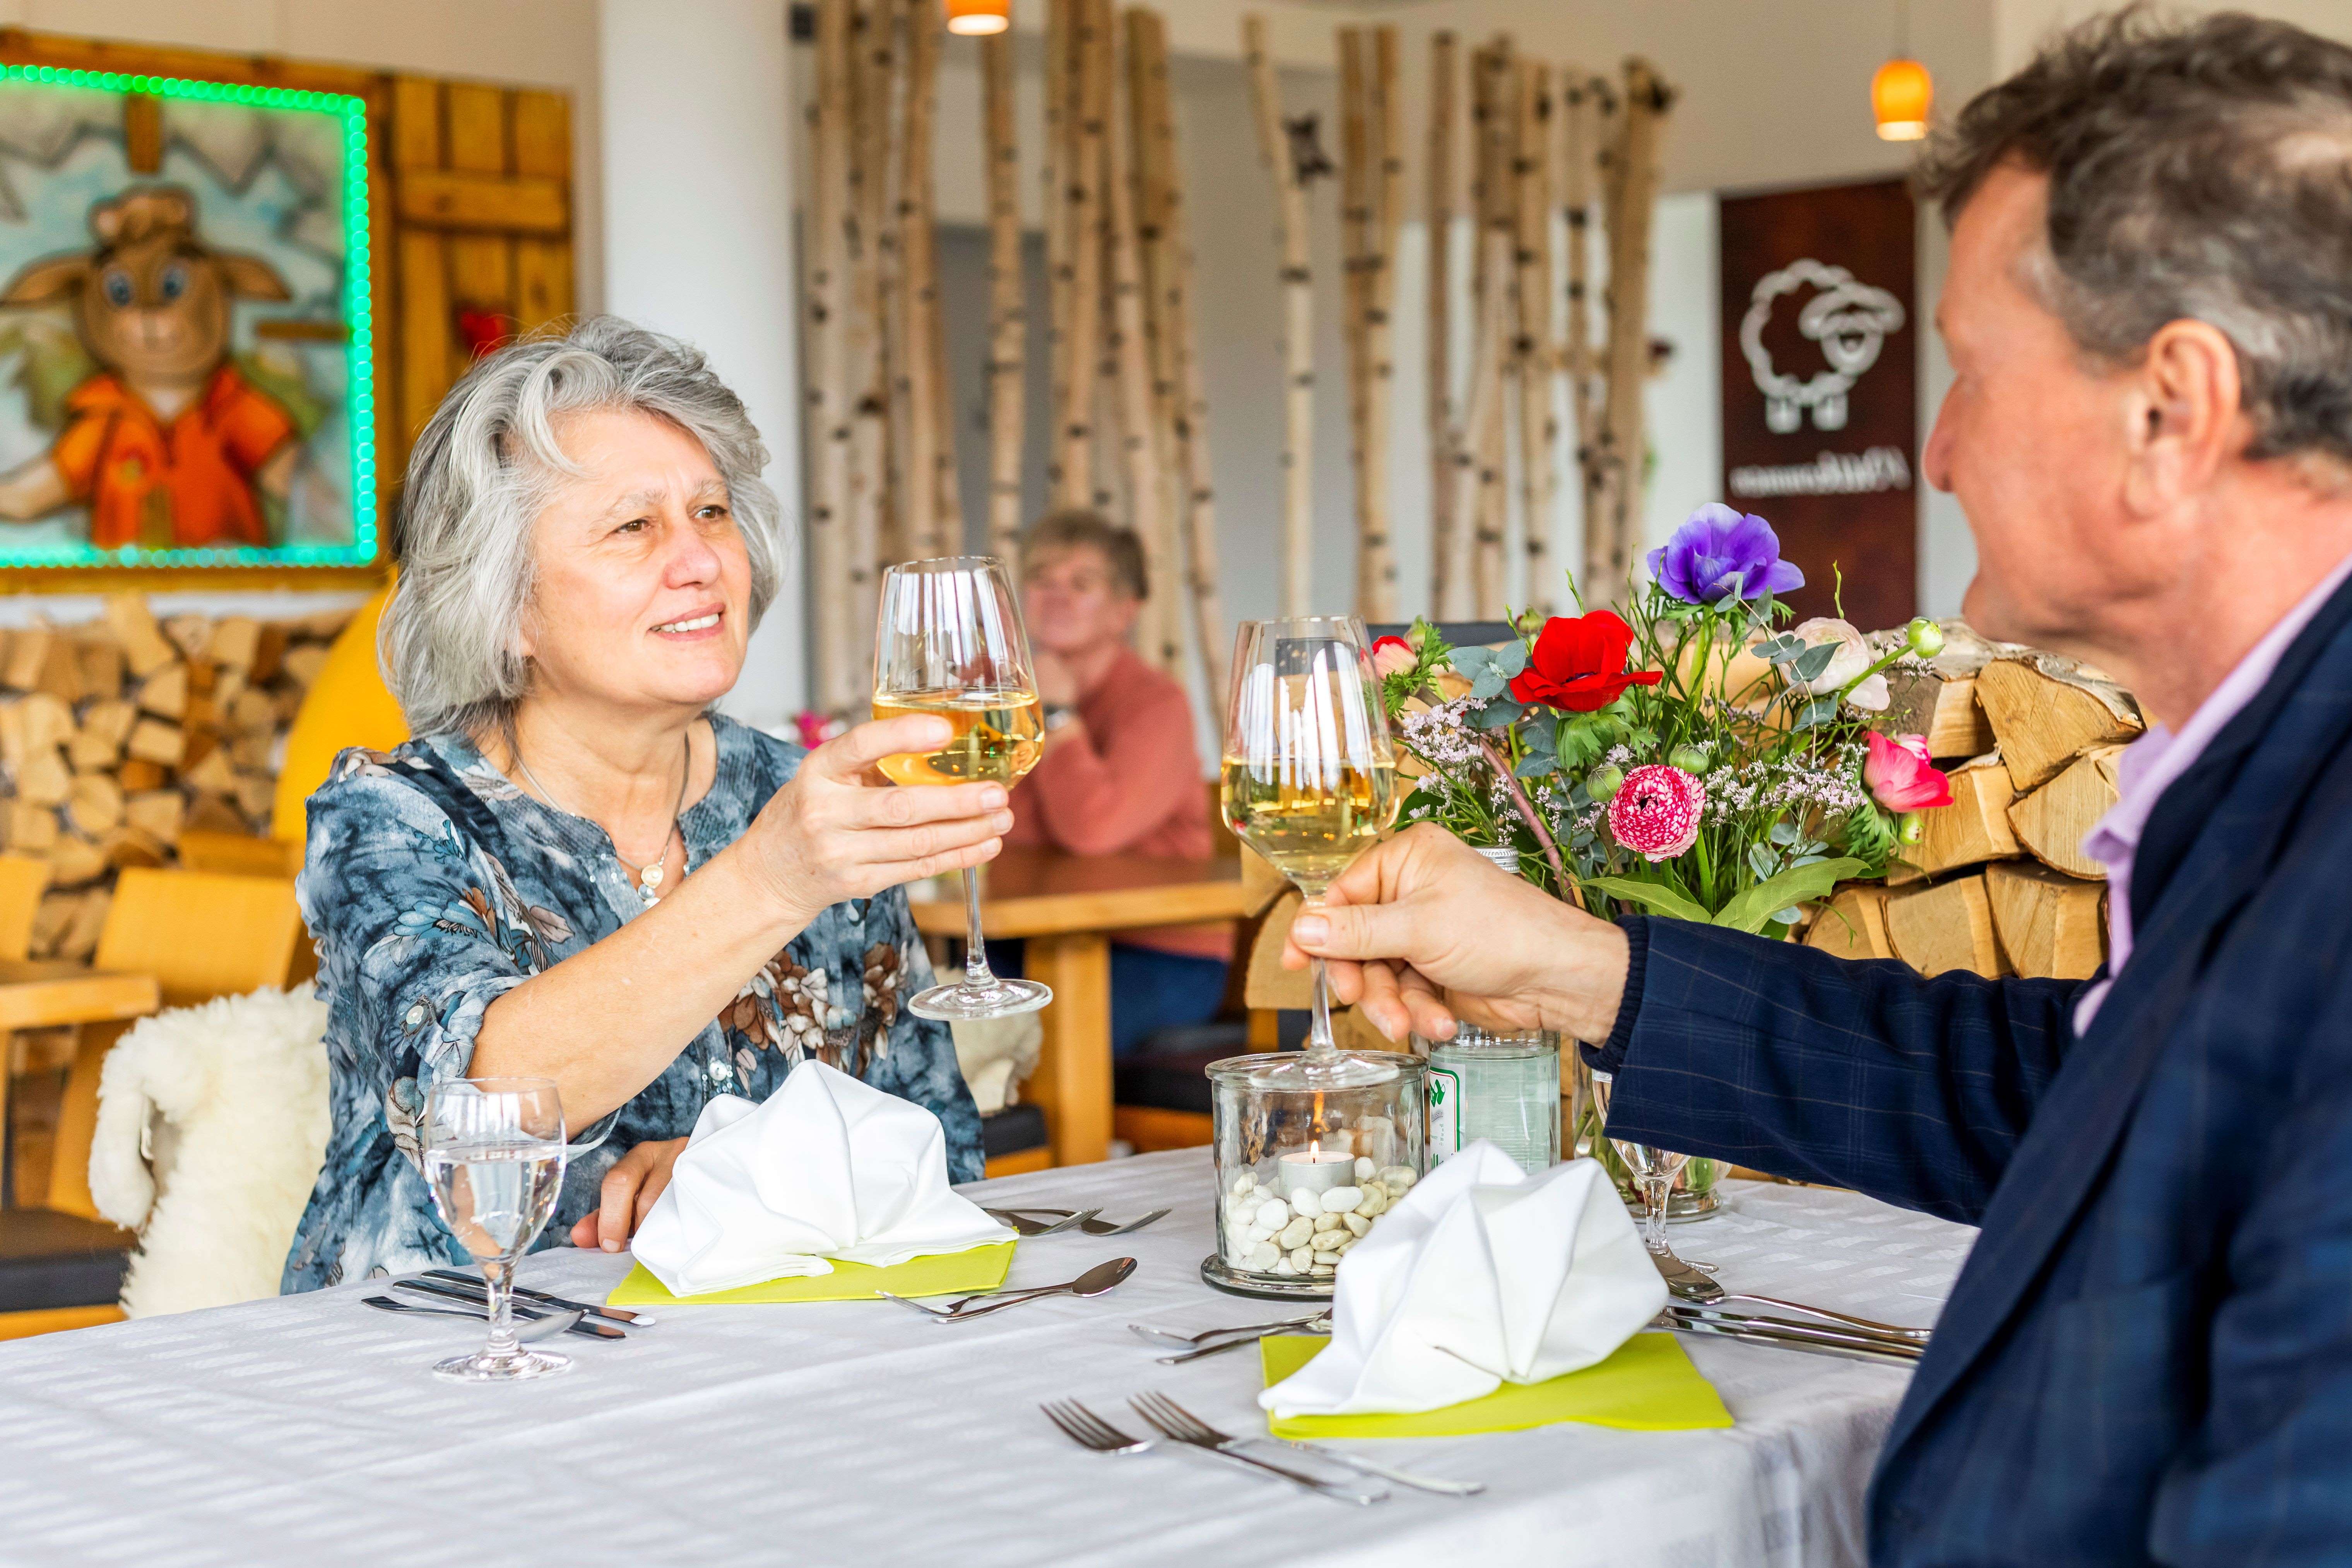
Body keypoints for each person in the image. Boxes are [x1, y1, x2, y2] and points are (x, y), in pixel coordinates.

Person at [1285, 13, 2352, 1563]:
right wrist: (1575, 966)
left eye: (1971, 374)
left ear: (2168, 411)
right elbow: (2054, 1099)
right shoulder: (2269, 768)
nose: (1937, 451)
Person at [283, 318, 1011, 1290]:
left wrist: (744, 1173)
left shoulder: (798, 798)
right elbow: (481, 1096)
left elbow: (937, 1145)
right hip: (450, 1344)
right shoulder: (391, 818)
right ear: (507, 606)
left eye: (711, 511)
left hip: (768, 1342)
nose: (701, 558)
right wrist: (772, 877)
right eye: (634, 527)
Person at [1006, 511, 1227, 1055]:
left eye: (1081, 584)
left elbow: (1092, 830)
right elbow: (993, 818)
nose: (1057, 597)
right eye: (1042, 579)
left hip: (1159, 952)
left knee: (1021, 1048)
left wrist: (1058, 715)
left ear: (1125, 609)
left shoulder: (1157, 703)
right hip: (1032, 937)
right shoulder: (1005, 696)